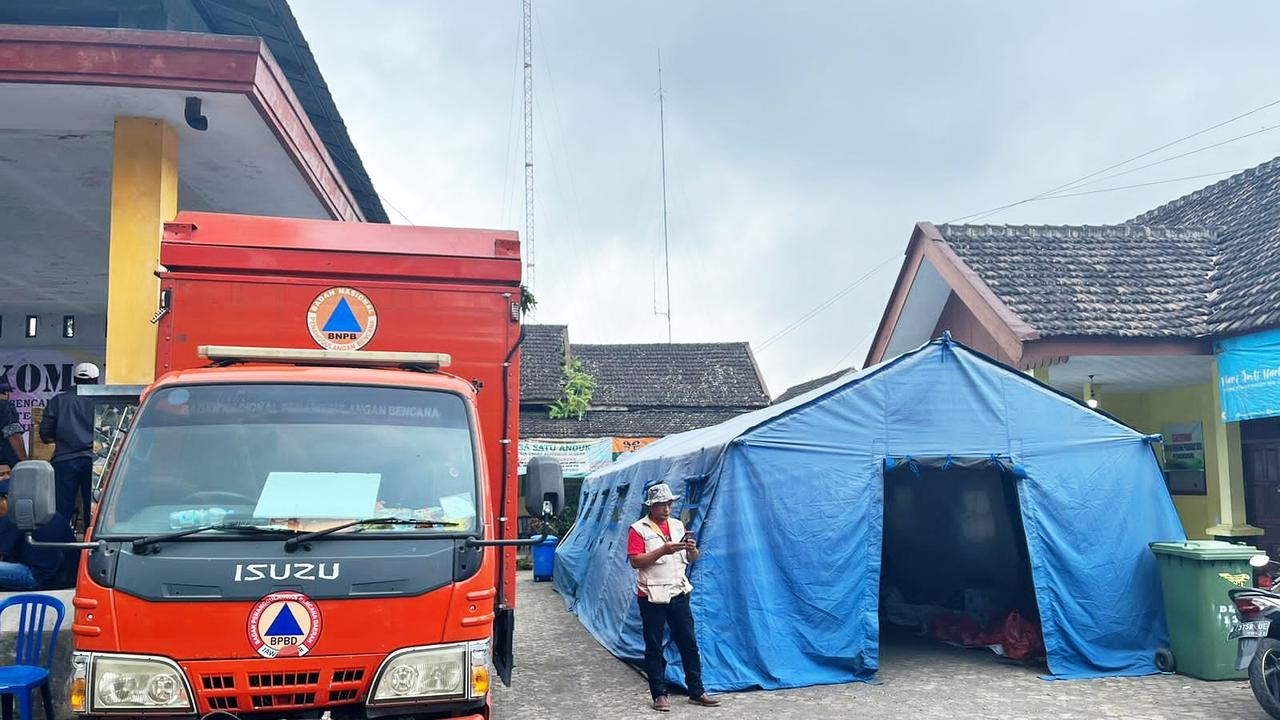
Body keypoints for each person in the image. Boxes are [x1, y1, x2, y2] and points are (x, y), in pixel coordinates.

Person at [627, 483, 720, 712]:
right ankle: (659, 694)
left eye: (669, 504)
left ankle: (697, 691)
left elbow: (692, 557)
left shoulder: (678, 526)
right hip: (651, 594)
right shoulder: (638, 529)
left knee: (688, 643)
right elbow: (635, 561)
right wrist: (662, 550)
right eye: (662, 505)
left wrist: (691, 549)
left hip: (678, 592)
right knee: (654, 646)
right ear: (651, 506)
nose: (667, 509)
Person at [40, 362, 99, 530]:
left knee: (61, 510)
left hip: (64, 460)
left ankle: (60, 548)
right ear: (96, 380)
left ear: (74, 379)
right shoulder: (100, 400)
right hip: (94, 463)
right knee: (94, 509)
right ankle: (91, 548)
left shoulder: (58, 400)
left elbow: (45, 432)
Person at [0, 468, 76, 590]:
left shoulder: (13, 514)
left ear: (6, 499)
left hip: (39, 577)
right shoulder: (40, 509)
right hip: (66, 576)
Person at [0, 376, 27, 470]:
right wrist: (24, 460)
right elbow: (13, 435)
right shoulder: (4, 407)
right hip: (4, 466)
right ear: (6, 393)